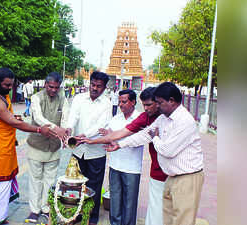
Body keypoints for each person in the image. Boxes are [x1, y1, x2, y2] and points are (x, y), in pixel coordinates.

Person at [108, 82, 204, 225]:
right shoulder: (163, 118)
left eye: (159, 103)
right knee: (166, 217)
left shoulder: (185, 121)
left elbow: (167, 151)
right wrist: (120, 144)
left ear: (171, 101)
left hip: (187, 178)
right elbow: (144, 135)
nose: (157, 106)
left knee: (182, 220)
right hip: (172, 176)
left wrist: (156, 137)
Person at [81, 87, 167, 225]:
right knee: (115, 199)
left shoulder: (142, 117)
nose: (120, 105)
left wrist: (116, 142)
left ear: (133, 102)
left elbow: (135, 138)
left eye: (124, 101)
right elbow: (114, 135)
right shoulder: (117, 118)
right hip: (115, 165)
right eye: (119, 102)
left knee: (130, 203)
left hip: (133, 167)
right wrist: (95, 139)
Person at [0, 68, 55, 225]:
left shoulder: (2, 95)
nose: (10, 88)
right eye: (7, 85)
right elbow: (13, 122)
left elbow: (6, 118)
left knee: (4, 184)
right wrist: (38, 129)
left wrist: (11, 118)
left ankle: (0, 217)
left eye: (11, 85)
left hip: (5, 144)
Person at [65, 71, 112, 225]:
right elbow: (73, 116)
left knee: (94, 187)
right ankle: (75, 214)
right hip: (78, 151)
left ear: (105, 88)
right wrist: (69, 129)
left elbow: (102, 126)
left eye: (99, 86)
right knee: (75, 184)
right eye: (93, 84)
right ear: (89, 83)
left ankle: (91, 217)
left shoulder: (107, 103)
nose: (95, 88)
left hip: (96, 152)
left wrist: (85, 136)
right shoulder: (79, 99)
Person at [24, 72, 70, 222]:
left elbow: (66, 117)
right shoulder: (36, 97)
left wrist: (64, 133)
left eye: (56, 87)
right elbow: (38, 118)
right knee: (35, 179)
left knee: (50, 180)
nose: (53, 90)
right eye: (50, 87)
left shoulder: (63, 98)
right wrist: (58, 129)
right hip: (36, 145)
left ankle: (45, 208)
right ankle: (34, 210)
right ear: (45, 84)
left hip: (54, 147)